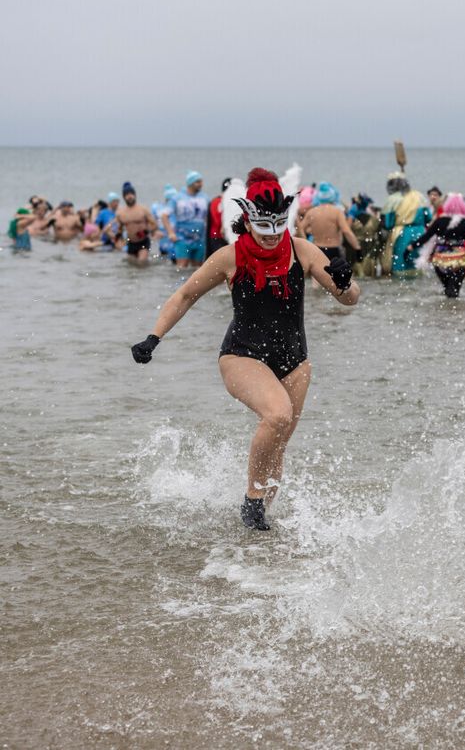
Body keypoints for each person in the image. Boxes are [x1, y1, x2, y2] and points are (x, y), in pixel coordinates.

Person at [130, 168, 360, 530]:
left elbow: (349, 300)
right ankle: (252, 500)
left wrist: (345, 283)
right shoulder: (230, 257)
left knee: (278, 443)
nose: (272, 236)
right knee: (278, 415)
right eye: (263, 227)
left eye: (277, 227)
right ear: (248, 220)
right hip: (242, 355)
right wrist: (153, 337)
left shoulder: (302, 250)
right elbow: (185, 295)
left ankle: (258, 526)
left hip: (295, 362)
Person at [413, 192, 465, 298]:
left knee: (447, 287)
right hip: (459, 261)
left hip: (440, 261)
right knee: (455, 289)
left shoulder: (440, 221)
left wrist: (411, 246)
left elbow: (427, 236)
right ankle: (454, 306)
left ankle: (446, 305)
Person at [380, 172, 432, 276]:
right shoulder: (418, 196)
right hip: (420, 233)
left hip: (401, 234)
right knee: (418, 264)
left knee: (400, 264)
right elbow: (428, 217)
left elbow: (388, 223)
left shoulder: (392, 199)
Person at [299, 181, 360, 263]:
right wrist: (357, 248)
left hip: (317, 249)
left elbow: (300, 228)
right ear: (332, 196)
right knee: (337, 271)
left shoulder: (312, 212)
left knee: (318, 271)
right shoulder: (337, 212)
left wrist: (305, 243)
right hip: (333, 250)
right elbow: (346, 231)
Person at [111, 182, 158, 263]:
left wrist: (145, 232)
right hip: (131, 242)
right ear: (124, 197)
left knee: (141, 262)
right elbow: (119, 229)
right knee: (131, 265)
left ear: (135, 195)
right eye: (127, 195)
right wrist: (117, 240)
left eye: (131, 194)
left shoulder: (143, 209)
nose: (129, 196)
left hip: (143, 241)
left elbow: (154, 224)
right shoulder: (121, 213)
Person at [171, 171, 209, 268]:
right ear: (190, 183)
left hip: (200, 239)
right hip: (182, 238)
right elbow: (164, 215)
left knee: (198, 268)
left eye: (201, 181)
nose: (201, 184)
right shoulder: (178, 198)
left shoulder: (205, 197)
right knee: (182, 266)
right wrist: (171, 233)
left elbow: (208, 216)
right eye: (198, 182)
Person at [348, 194, 382, 277]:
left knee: (356, 272)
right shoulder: (374, 219)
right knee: (369, 273)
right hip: (370, 247)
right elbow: (379, 235)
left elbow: (347, 230)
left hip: (356, 248)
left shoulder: (352, 218)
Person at [206, 178, 233, 258]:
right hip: (218, 238)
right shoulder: (218, 201)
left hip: (217, 238)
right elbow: (217, 221)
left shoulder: (215, 201)